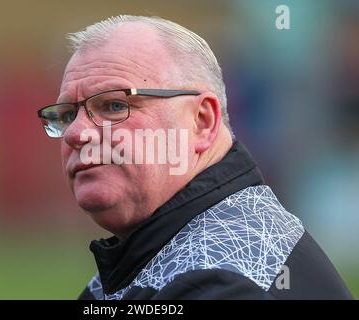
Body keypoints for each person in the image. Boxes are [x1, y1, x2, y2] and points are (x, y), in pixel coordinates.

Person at [37, 15, 352, 299]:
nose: (77, 134)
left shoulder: (225, 283)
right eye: (67, 114)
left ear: (202, 121)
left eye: (115, 106)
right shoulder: (160, 256)